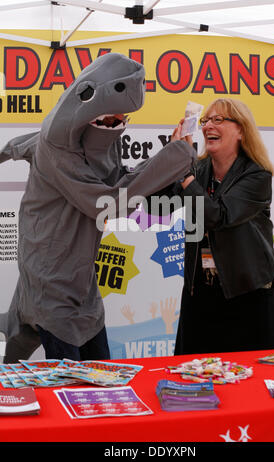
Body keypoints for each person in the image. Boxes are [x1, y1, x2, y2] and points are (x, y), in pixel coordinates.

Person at [0, 52, 196, 362]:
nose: (117, 126)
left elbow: (122, 180)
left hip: (81, 281)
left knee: (99, 373)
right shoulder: (57, 148)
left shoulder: (103, 142)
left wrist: (167, 162)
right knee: (69, 382)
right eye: (110, 121)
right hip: (51, 281)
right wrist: (173, 157)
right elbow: (105, 203)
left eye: (122, 121)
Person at [172, 97, 274, 354]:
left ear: (241, 130)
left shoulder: (257, 174)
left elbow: (218, 216)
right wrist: (175, 158)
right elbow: (159, 205)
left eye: (219, 119)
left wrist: (187, 176)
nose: (208, 125)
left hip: (248, 295)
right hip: (201, 294)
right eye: (206, 120)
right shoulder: (197, 169)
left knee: (249, 384)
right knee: (193, 377)